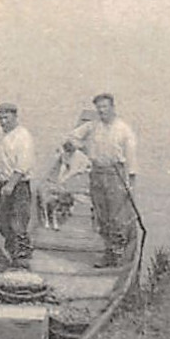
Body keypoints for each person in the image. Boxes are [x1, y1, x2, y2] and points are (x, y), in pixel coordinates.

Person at [64, 92, 138, 267]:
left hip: (115, 175)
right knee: (101, 215)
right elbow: (71, 138)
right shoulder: (92, 126)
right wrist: (81, 147)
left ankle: (118, 254)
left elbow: (132, 160)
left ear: (112, 107)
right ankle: (108, 252)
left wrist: (131, 184)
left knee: (116, 216)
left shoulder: (123, 129)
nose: (102, 111)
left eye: (105, 107)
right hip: (96, 173)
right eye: (99, 108)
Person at [0, 102, 35, 268]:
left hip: (18, 185)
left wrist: (11, 184)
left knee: (18, 223)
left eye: (6, 117)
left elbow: (23, 164)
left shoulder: (23, 136)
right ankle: (12, 255)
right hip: (1, 184)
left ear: (15, 116)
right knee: (3, 223)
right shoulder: (0, 135)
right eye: (0, 118)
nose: (3, 121)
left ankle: (22, 260)